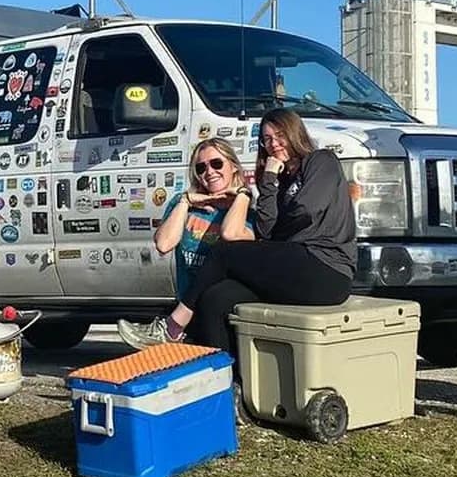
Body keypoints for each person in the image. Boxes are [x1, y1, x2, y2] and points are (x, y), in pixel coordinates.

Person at [117, 108, 355, 356]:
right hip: (296, 270)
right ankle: (228, 380)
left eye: (280, 135)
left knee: (224, 253)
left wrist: (264, 212)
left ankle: (172, 327)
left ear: (294, 133)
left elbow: (305, 210)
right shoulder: (279, 180)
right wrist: (271, 178)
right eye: (267, 139)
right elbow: (267, 228)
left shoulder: (320, 160)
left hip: (326, 268)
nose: (273, 144)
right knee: (216, 298)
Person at [117, 137, 255, 348]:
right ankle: (173, 329)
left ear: (234, 167)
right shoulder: (184, 204)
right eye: (201, 168)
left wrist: (239, 197)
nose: (209, 172)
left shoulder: (246, 211)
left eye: (217, 164)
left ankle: (173, 328)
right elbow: (164, 244)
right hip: (188, 306)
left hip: (224, 310)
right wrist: (185, 201)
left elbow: (231, 232)